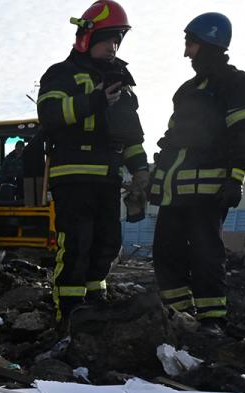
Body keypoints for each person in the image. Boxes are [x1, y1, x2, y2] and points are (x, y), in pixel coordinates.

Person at [148, 12, 245, 336]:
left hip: (210, 192)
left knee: (205, 254)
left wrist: (235, 177)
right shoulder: (186, 92)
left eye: (191, 44)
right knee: (166, 254)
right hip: (175, 193)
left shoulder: (238, 85)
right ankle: (180, 318)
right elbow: (170, 143)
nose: (186, 52)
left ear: (209, 42)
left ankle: (212, 324)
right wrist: (157, 181)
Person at [37, 0, 148, 331]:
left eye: (118, 41)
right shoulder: (61, 74)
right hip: (72, 175)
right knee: (76, 244)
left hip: (108, 177)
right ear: (87, 37)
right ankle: (68, 313)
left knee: (108, 242)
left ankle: (93, 303)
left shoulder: (120, 80)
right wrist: (95, 99)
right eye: (107, 40)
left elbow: (131, 133)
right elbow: (51, 116)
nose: (113, 48)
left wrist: (141, 170)